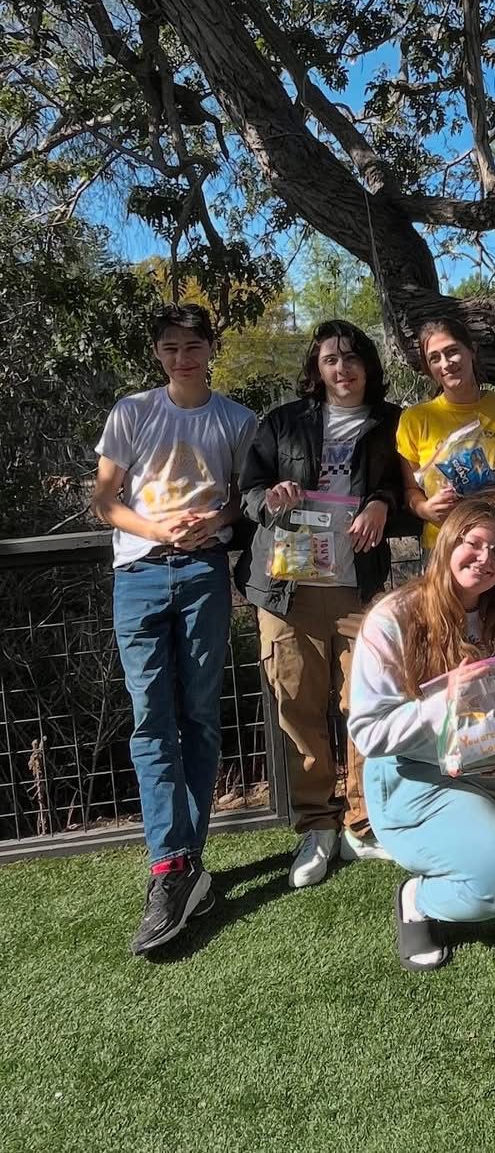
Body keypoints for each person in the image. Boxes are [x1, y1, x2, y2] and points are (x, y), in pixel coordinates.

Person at [348, 500, 495, 970]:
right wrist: (445, 703)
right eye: (473, 543)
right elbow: (368, 732)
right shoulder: (394, 618)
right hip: (419, 775)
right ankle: (420, 897)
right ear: (445, 545)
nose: (486, 558)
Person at [93, 303, 256, 955]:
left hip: (203, 574)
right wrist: (158, 529)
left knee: (199, 716)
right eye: (170, 347)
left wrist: (213, 520)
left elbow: (244, 497)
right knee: (150, 719)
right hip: (137, 576)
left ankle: (185, 863)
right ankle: (172, 862)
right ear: (157, 353)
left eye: (192, 346)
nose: (182, 358)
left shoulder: (238, 420)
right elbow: (105, 500)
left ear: (211, 347)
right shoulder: (131, 412)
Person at [236, 321, 410, 888]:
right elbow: (249, 491)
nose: (342, 368)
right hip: (288, 589)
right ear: (316, 368)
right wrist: (272, 497)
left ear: (368, 365)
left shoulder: (393, 423)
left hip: (359, 587)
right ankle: (317, 825)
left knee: (366, 704)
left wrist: (382, 502)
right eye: (331, 359)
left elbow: (409, 487)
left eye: (352, 357)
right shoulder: (283, 422)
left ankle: (362, 822)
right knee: (298, 707)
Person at [397, 316, 495, 595]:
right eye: (434, 358)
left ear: (472, 351)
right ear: (428, 367)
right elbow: (410, 490)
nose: (446, 363)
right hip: (444, 543)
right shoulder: (415, 419)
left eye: (452, 351)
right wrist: (425, 509)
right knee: (444, 620)